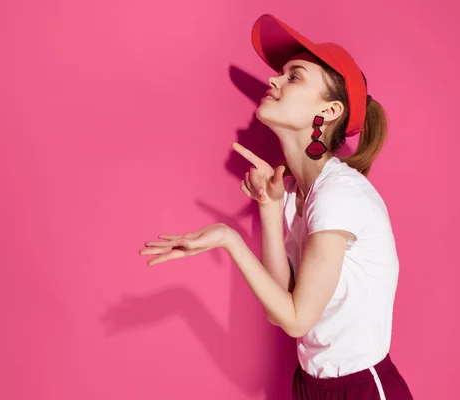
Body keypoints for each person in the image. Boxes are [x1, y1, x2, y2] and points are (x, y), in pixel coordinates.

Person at [138, 13, 414, 400]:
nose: (273, 80)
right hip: (309, 385)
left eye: (294, 76)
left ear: (329, 112)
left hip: (362, 389)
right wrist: (270, 207)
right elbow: (278, 309)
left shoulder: (340, 193)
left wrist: (230, 239)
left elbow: (297, 320)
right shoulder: (293, 193)